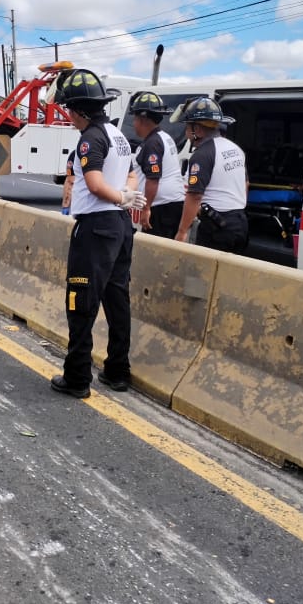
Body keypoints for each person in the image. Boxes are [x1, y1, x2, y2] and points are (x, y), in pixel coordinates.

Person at [51, 69, 145, 399]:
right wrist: (127, 196)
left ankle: (77, 377)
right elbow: (132, 175)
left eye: (68, 110)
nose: (68, 116)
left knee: (81, 301)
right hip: (120, 226)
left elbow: (92, 184)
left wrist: (120, 196)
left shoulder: (91, 138)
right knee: (117, 298)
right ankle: (117, 371)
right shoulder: (117, 135)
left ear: (78, 109)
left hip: (96, 228)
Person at [174, 97, 249, 255]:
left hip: (217, 228)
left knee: (204, 276)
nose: (187, 134)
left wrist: (182, 232)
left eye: (188, 128)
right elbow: (246, 184)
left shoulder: (202, 154)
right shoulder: (235, 148)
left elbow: (194, 197)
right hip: (240, 222)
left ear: (198, 130)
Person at [129, 91, 185, 240]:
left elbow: (153, 178)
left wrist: (146, 208)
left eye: (134, 119)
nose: (133, 124)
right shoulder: (164, 137)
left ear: (143, 118)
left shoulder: (153, 143)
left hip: (162, 209)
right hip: (172, 204)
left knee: (156, 251)